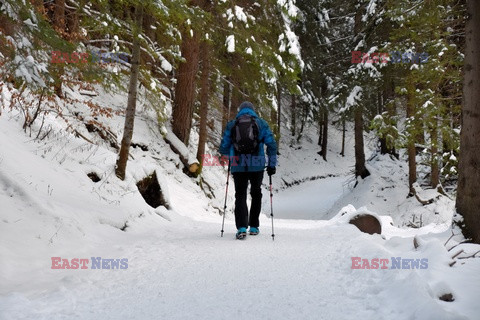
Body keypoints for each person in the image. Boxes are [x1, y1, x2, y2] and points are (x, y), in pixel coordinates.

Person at [219, 101, 277, 240]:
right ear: (253, 110)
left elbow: (224, 147)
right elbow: (272, 144)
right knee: (256, 193)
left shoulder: (232, 124)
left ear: (240, 110)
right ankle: (254, 226)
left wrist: (228, 156)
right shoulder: (261, 124)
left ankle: (241, 227)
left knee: (240, 194)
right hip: (257, 165)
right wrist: (271, 165)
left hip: (238, 165)